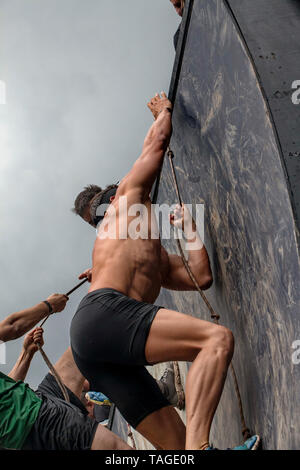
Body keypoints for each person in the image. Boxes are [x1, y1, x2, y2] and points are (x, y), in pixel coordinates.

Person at [70, 92, 260, 450]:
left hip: (93, 345)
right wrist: (163, 111)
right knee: (216, 341)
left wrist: (189, 229)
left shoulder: (153, 256)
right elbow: (157, 142)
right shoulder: (124, 201)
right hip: (102, 316)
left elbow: (200, 278)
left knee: (174, 448)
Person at [0, 295, 132, 450]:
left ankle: (148, 390)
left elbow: (6, 391)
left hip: (30, 410)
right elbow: (11, 326)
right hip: (34, 420)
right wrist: (49, 306)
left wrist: (26, 354)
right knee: (118, 448)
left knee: (84, 342)